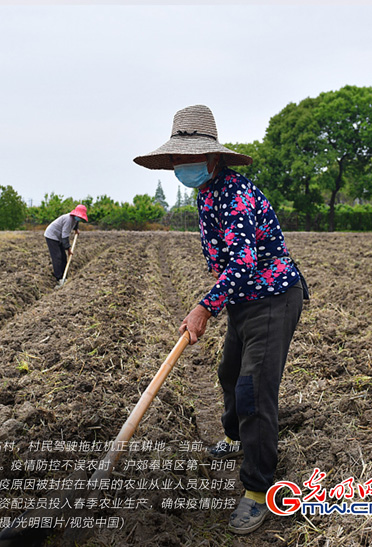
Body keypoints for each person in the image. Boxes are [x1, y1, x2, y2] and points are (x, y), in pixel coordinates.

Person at [134, 105, 306, 535]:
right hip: (244, 300)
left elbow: (244, 261)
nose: (181, 166)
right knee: (229, 373)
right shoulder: (206, 193)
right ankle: (234, 437)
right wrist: (219, 300)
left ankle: (258, 489)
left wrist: (204, 306)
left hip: (272, 298)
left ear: (212, 158)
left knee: (253, 390)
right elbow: (224, 260)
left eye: (187, 158)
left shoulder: (236, 194)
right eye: (177, 159)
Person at [44, 204, 87, 288]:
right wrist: (68, 249)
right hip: (52, 236)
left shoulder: (75, 219)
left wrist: (76, 229)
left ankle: (64, 276)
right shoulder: (68, 220)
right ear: (75, 214)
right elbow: (65, 236)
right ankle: (59, 279)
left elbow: (76, 222)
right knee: (57, 257)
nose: (80, 219)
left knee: (63, 257)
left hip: (59, 237)